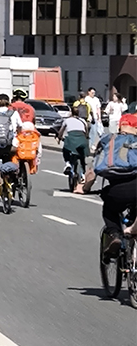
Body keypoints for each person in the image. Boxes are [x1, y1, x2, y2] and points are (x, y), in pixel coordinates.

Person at [81, 113, 137, 248]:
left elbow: (92, 172)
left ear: (120, 126)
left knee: (109, 209)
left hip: (117, 190)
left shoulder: (108, 140)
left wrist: (84, 188)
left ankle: (114, 235)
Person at [57, 106, 91, 191]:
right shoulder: (83, 121)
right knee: (82, 156)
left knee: (66, 149)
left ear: (71, 113)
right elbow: (86, 133)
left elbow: (61, 131)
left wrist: (59, 138)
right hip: (82, 139)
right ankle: (83, 174)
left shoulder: (67, 120)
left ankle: (68, 164)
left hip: (71, 139)